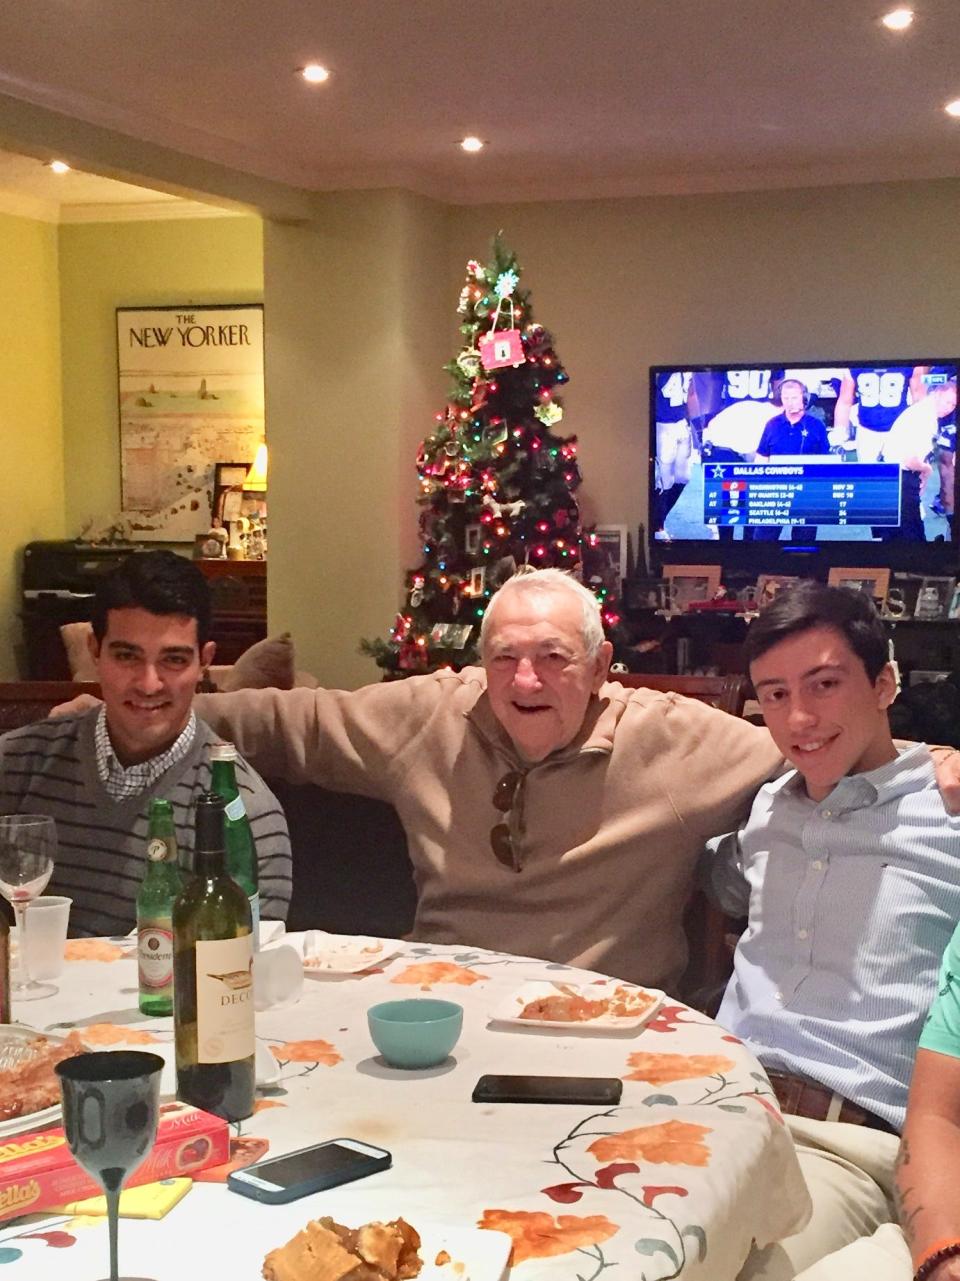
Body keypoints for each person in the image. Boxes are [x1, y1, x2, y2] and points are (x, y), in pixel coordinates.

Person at [186, 566, 786, 989]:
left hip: (607, 1028)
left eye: (554, 657)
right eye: (504, 657)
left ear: (600, 666)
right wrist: (116, 716)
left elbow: (817, 750)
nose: (526, 681)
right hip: (441, 1008)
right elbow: (292, 722)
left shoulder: (674, 741)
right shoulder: (432, 717)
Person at [701, 582, 960, 1280]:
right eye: (775, 694)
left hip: (847, 1142)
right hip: (715, 1104)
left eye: (824, 684)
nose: (800, 717)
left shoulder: (950, 809)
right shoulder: (765, 807)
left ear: (884, 683)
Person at [0, 550, 292, 936]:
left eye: (173, 660)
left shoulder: (244, 815)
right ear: (94, 651)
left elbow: (238, 979)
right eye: (127, 656)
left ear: (204, 661)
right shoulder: (17, 765)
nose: (148, 683)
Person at [879, 379, 957, 541]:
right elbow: (909, 459)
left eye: (953, 405)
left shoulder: (923, 412)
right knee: (911, 537)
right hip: (899, 476)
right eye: (947, 402)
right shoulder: (925, 418)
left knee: (900, 532)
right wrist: (927, 469)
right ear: (936, 394)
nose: (948, 408)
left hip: (893, 475)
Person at [833, 366, 923, 463]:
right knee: (869, 475)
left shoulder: (910, 361)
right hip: (866, 431)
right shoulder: (853, 363)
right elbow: (845, 401)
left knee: (897, 473)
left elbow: (919, 399)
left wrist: (921, 434)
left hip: (898, 431)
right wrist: (839, 434)